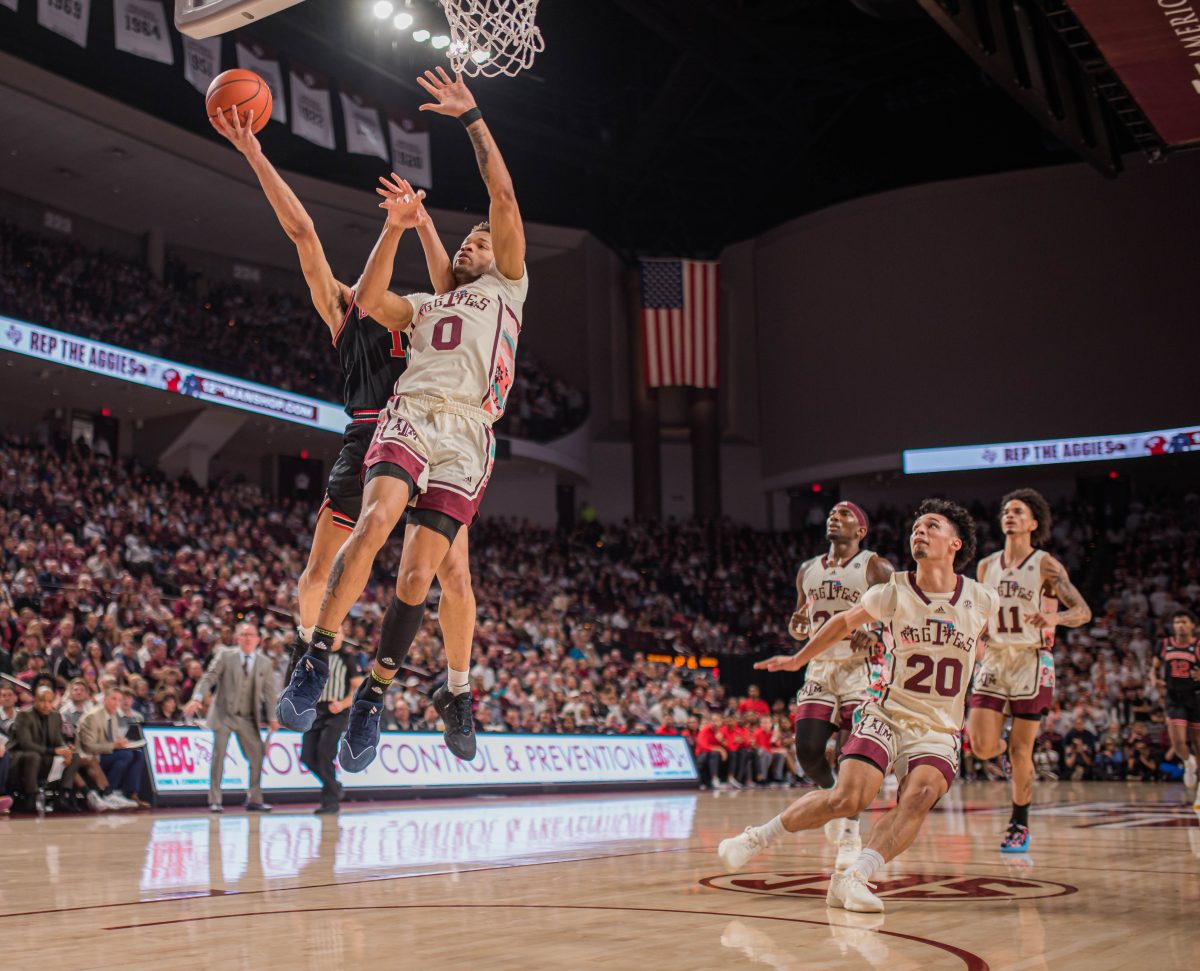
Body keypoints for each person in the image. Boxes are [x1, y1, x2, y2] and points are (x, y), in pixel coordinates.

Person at [279, 68, 528, 774]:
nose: (473, 246)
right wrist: (398, 226)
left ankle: (374, 694)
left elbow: (503, 195)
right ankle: (317, 654)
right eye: (468, 242)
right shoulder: (425, 306)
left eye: (479, 241)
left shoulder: (507, 288)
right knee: (374, 521)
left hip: (469, 434)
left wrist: (471, 116)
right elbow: (371, 296)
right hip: (412, 415)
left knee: (423, 575)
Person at [207, 103, 477, 697]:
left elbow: (453, 287)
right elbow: (302, 231)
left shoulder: (429, 314)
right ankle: (309, 653)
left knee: (454, 576)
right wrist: (254, 152)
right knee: (319, 567)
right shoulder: (344, 307)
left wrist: (423, 223)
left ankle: (455, 689)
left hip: (429, 437)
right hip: (369, 435)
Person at [719, 499, 995, 914]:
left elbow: (985, 647)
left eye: (931, 526)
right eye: (916, 526)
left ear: (955, 543)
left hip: (939, 726)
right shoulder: (894, 589)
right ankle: (758, 837)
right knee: (846, 798)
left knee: (920, 795)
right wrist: (797, 659)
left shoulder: (982, 599)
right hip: (888, 711)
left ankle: (853, 878)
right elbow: (841, 623)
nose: (919, 530)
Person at [966, 489, 1092, 853]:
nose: (1009, 515)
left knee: (1024, 752)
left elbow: (1083, 612)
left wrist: (1055, 616)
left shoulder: (1046, 564)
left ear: (1032, 523)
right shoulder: (986, 566)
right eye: (1006, 510)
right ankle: (1003, 753)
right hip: (994, 657)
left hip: (1031, 659)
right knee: (983, 747)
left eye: (1017, 511)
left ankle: (1019, 822)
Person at [774, 501, 893, 869]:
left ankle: (850, 829)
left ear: (861, 531)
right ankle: (832, 798)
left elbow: (897, 614)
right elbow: (799, 624)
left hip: (862, 670)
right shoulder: (807, 570)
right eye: (831, 514)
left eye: (845, 515)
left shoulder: (876, 566)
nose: (834, 518)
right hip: (822, 667)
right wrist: (796, 627)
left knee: (849, 756)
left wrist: (872, 631)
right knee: (808, 753)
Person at [183, 622, 278, 813]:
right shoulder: (225, 656)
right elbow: (208, 677)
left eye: (251, 635)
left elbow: (269, 693)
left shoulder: (265, 663)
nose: (248, 638)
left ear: (258, 640)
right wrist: (197, 698)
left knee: (258, 755)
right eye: (244, 634)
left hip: (247, 717)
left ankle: (254, 799)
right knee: (218, 757)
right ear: (237, 638)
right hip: (223, 714)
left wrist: (272, 717)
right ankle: (215, 800)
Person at [300, 626, 362, 814]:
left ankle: (330, 802)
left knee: (325, 752)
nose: (334, 636)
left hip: (337, 711)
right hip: (316, 710)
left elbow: (358, 690)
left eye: (339, 633)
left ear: (343, 636)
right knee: (307, 757)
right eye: (332, 633)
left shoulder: (348, 658)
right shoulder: (318, 655)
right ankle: (334, 786)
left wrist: (343, 704)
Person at [1151, 609, 1200, 792]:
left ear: (1192, 626)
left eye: (1184, 622)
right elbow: (1154, 667)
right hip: (1174, 696)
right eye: (1177, 622)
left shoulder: (1198, 645)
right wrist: (1154, 679)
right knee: (1178, 742)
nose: (1180, 625)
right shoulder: (1164, 644)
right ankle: (1188, 762)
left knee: (1197, 742)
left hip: (1196, 696)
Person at [77, 687, 145, 809]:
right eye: (113, 699)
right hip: (91, 758)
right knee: (125, 755)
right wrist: (114, 745)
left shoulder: (112, 715)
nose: (116, 703)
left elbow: (110, 739)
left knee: (137, 753)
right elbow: (88, 747)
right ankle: (108, 793)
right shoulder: (92, 717)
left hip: (105, 753)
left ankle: (130, 794)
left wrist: (121, 742)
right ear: (105, 699)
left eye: (119, 700)